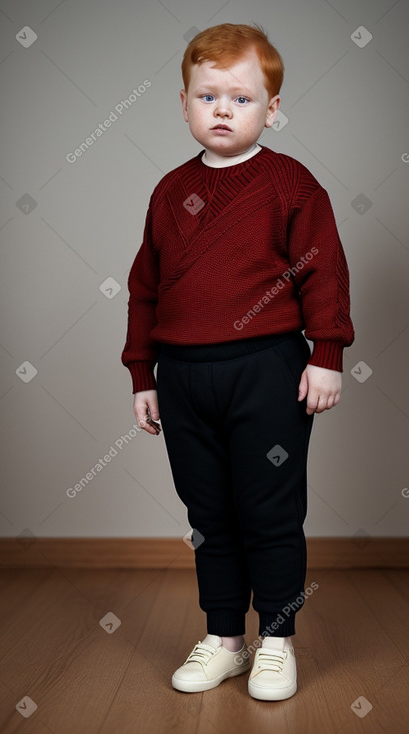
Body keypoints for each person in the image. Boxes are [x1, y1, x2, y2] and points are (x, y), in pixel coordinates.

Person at [121, 22, 355, 701]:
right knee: (209, 514)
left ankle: (275, 640)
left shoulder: (290, 184)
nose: (223, 110)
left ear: (272, 108)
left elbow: (324, 273)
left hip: (268, 371)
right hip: (185, 377)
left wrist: (327, 354)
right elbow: (144, 287)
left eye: (242, 98)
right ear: (183, 104)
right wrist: (143, 374)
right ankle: (225, 639)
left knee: (268, 509)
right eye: (208, 96)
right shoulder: (170, 192)